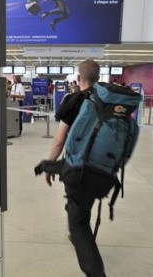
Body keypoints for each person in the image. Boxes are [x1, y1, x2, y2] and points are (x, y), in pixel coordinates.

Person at [44, 59, 110, 277]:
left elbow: (59, 141)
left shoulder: (74, 100)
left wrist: (49, 165)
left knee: (79, 226)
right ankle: (78, 221)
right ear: (97, 78)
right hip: (102, 169)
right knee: (82, 206)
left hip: (78, 171)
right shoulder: (107, 101)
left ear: (79, 78)